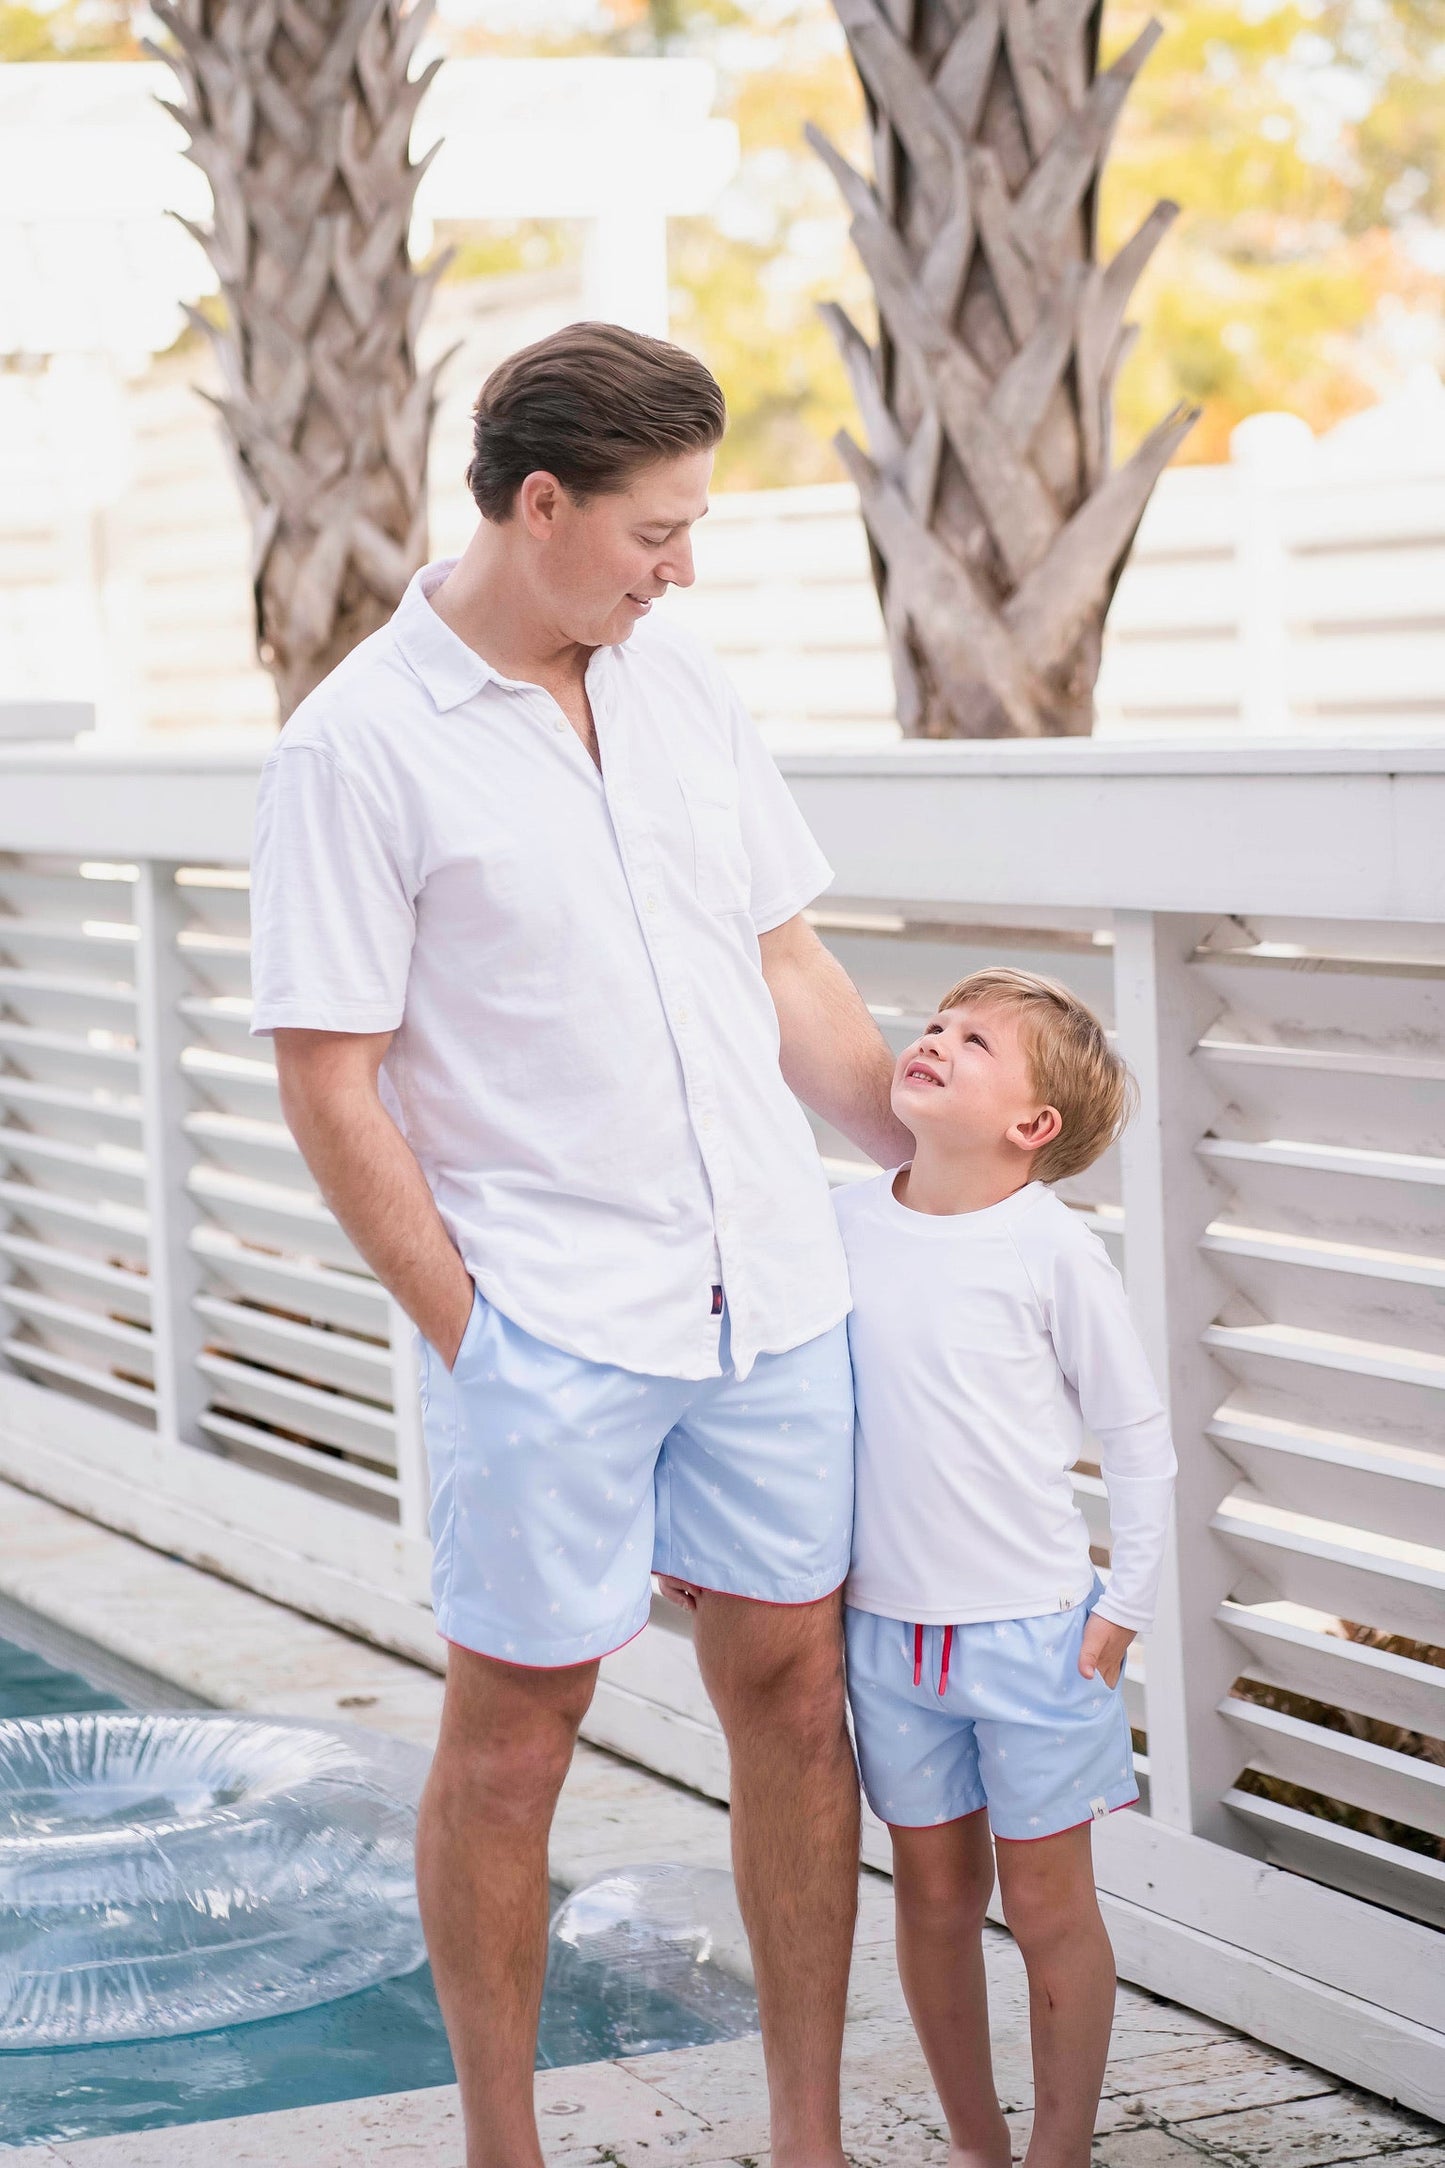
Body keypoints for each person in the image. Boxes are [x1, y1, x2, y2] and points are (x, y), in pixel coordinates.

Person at [247, 321, 909, 2168]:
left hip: (769, 1298)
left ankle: (805, 2137)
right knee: (517, 1738)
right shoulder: (354, 747)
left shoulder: (677, 676)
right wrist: (476, 1334)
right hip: (545, 1326)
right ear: (540, 505)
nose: (680, 569)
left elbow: (786, 962)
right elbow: (329, 1080)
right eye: (653, 531)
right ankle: (502, 2145)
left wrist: (933, 1172)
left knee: (796, 1694)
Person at [832, 967, 1177, 2168]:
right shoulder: (841, 1220)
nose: (932, 1038)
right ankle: (977, 2147)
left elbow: (1135, 1434)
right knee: (930, 1897)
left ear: (1032, 1124)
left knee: (1043, 1903)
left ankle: (1058, 2150)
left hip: (1034, 1634)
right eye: (935, 1022)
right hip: (885, 1635)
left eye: (974, 1041)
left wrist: (1125, 1604)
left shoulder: (1050, 1250)